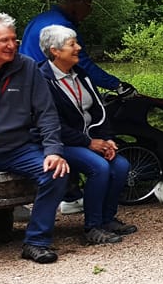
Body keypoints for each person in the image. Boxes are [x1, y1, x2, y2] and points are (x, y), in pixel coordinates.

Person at [0, 12, 69, 267]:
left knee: (56, 173)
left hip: (16, 148)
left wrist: (53, 150)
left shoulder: (28, 67)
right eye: (4, 40)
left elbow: (46, 112)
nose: (11, 45)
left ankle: (36, 242)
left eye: (14, 40)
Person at [37, 24, 139, 244]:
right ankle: (92, 227)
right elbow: (52, 124)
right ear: (55, 51)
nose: (79, 48)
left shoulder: (81, 75)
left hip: (89, 140)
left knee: (121, 166)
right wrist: (89, 143)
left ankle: (107, 219)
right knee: (99, 167)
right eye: (72, 44)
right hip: (59, 143)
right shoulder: (42, 80)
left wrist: (108, 139)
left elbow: (99, 111)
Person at [19, 0, 132, 93]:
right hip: (44, 88)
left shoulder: (39, 19)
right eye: (88, 4)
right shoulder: (61, 26)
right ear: (75, 2)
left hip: (26, 83)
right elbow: (80, 64)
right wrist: (117, 85)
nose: (90, 10)